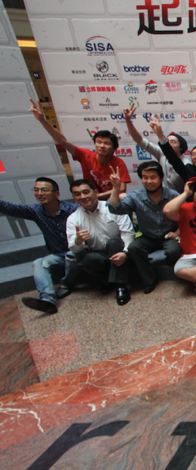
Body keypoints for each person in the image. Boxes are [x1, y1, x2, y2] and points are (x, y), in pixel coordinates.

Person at [1, 178, 79, 314]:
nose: (39, 193)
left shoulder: (73, 209)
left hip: (79, 253)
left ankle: (66, 284)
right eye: (36, 190)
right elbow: (11, 208)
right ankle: (47, 301)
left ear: (57, 193)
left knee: (72, 254)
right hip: (58, 255)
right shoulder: (36, 211)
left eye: (44, 190)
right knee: (39, 263)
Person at [30, 98, 130, 200]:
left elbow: (122, 189)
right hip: (90, 199)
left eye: (106, 143)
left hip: (110, 199)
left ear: (114, 148)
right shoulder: (85, 155)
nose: (101, 146)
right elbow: (63, 141)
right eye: (98, 142)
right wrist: (42, 120)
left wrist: (98, 196)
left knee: (123, 196)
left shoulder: (118, 163)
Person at [107, 161, 181, 294]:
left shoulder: (173, 195)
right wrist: (116, 188)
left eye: (153, 177)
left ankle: (172, 267)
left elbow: (187, 216)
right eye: (145, 177)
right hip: (147, 236)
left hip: (169, 235)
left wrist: (176, 233)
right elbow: (115, 209)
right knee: (134, 247)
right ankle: (149, 280)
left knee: (173, 251)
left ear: (161, 178)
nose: (149, 181)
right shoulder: (135, 196)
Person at [66, 179, 135, 305]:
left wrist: (125, 253)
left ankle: (120, 286)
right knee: (88, 260)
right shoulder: (73, 218)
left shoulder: (113, 208)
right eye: (77, 194)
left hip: (119, 250)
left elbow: (128, 233)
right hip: (99, 254)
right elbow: (74, 249)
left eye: (86, 192)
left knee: (113, 243)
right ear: (74, 197)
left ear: (95, 192)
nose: (82, 197)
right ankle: (107, 280)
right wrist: (78, 241)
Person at [122, 103, 190, 191]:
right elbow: (139, 140)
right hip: (160, 195)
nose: (168, 144)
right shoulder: (161, 153)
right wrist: (128, 120)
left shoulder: (186, 163)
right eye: (167, 141)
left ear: (181, 147)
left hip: (179, 197)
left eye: (173, 142)